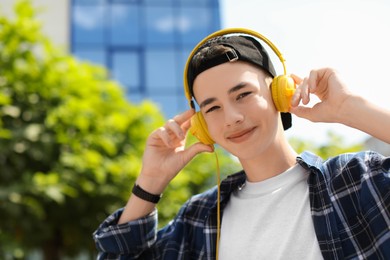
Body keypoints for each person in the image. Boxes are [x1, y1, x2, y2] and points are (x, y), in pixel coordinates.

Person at [93, 28, 390, 260]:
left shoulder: (355, 180)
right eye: (212, 108)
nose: (232, 118)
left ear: (279, 93)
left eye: (243, 94)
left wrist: (350, 108)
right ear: (202, 126)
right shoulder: (199, 218)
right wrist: (150, 181)